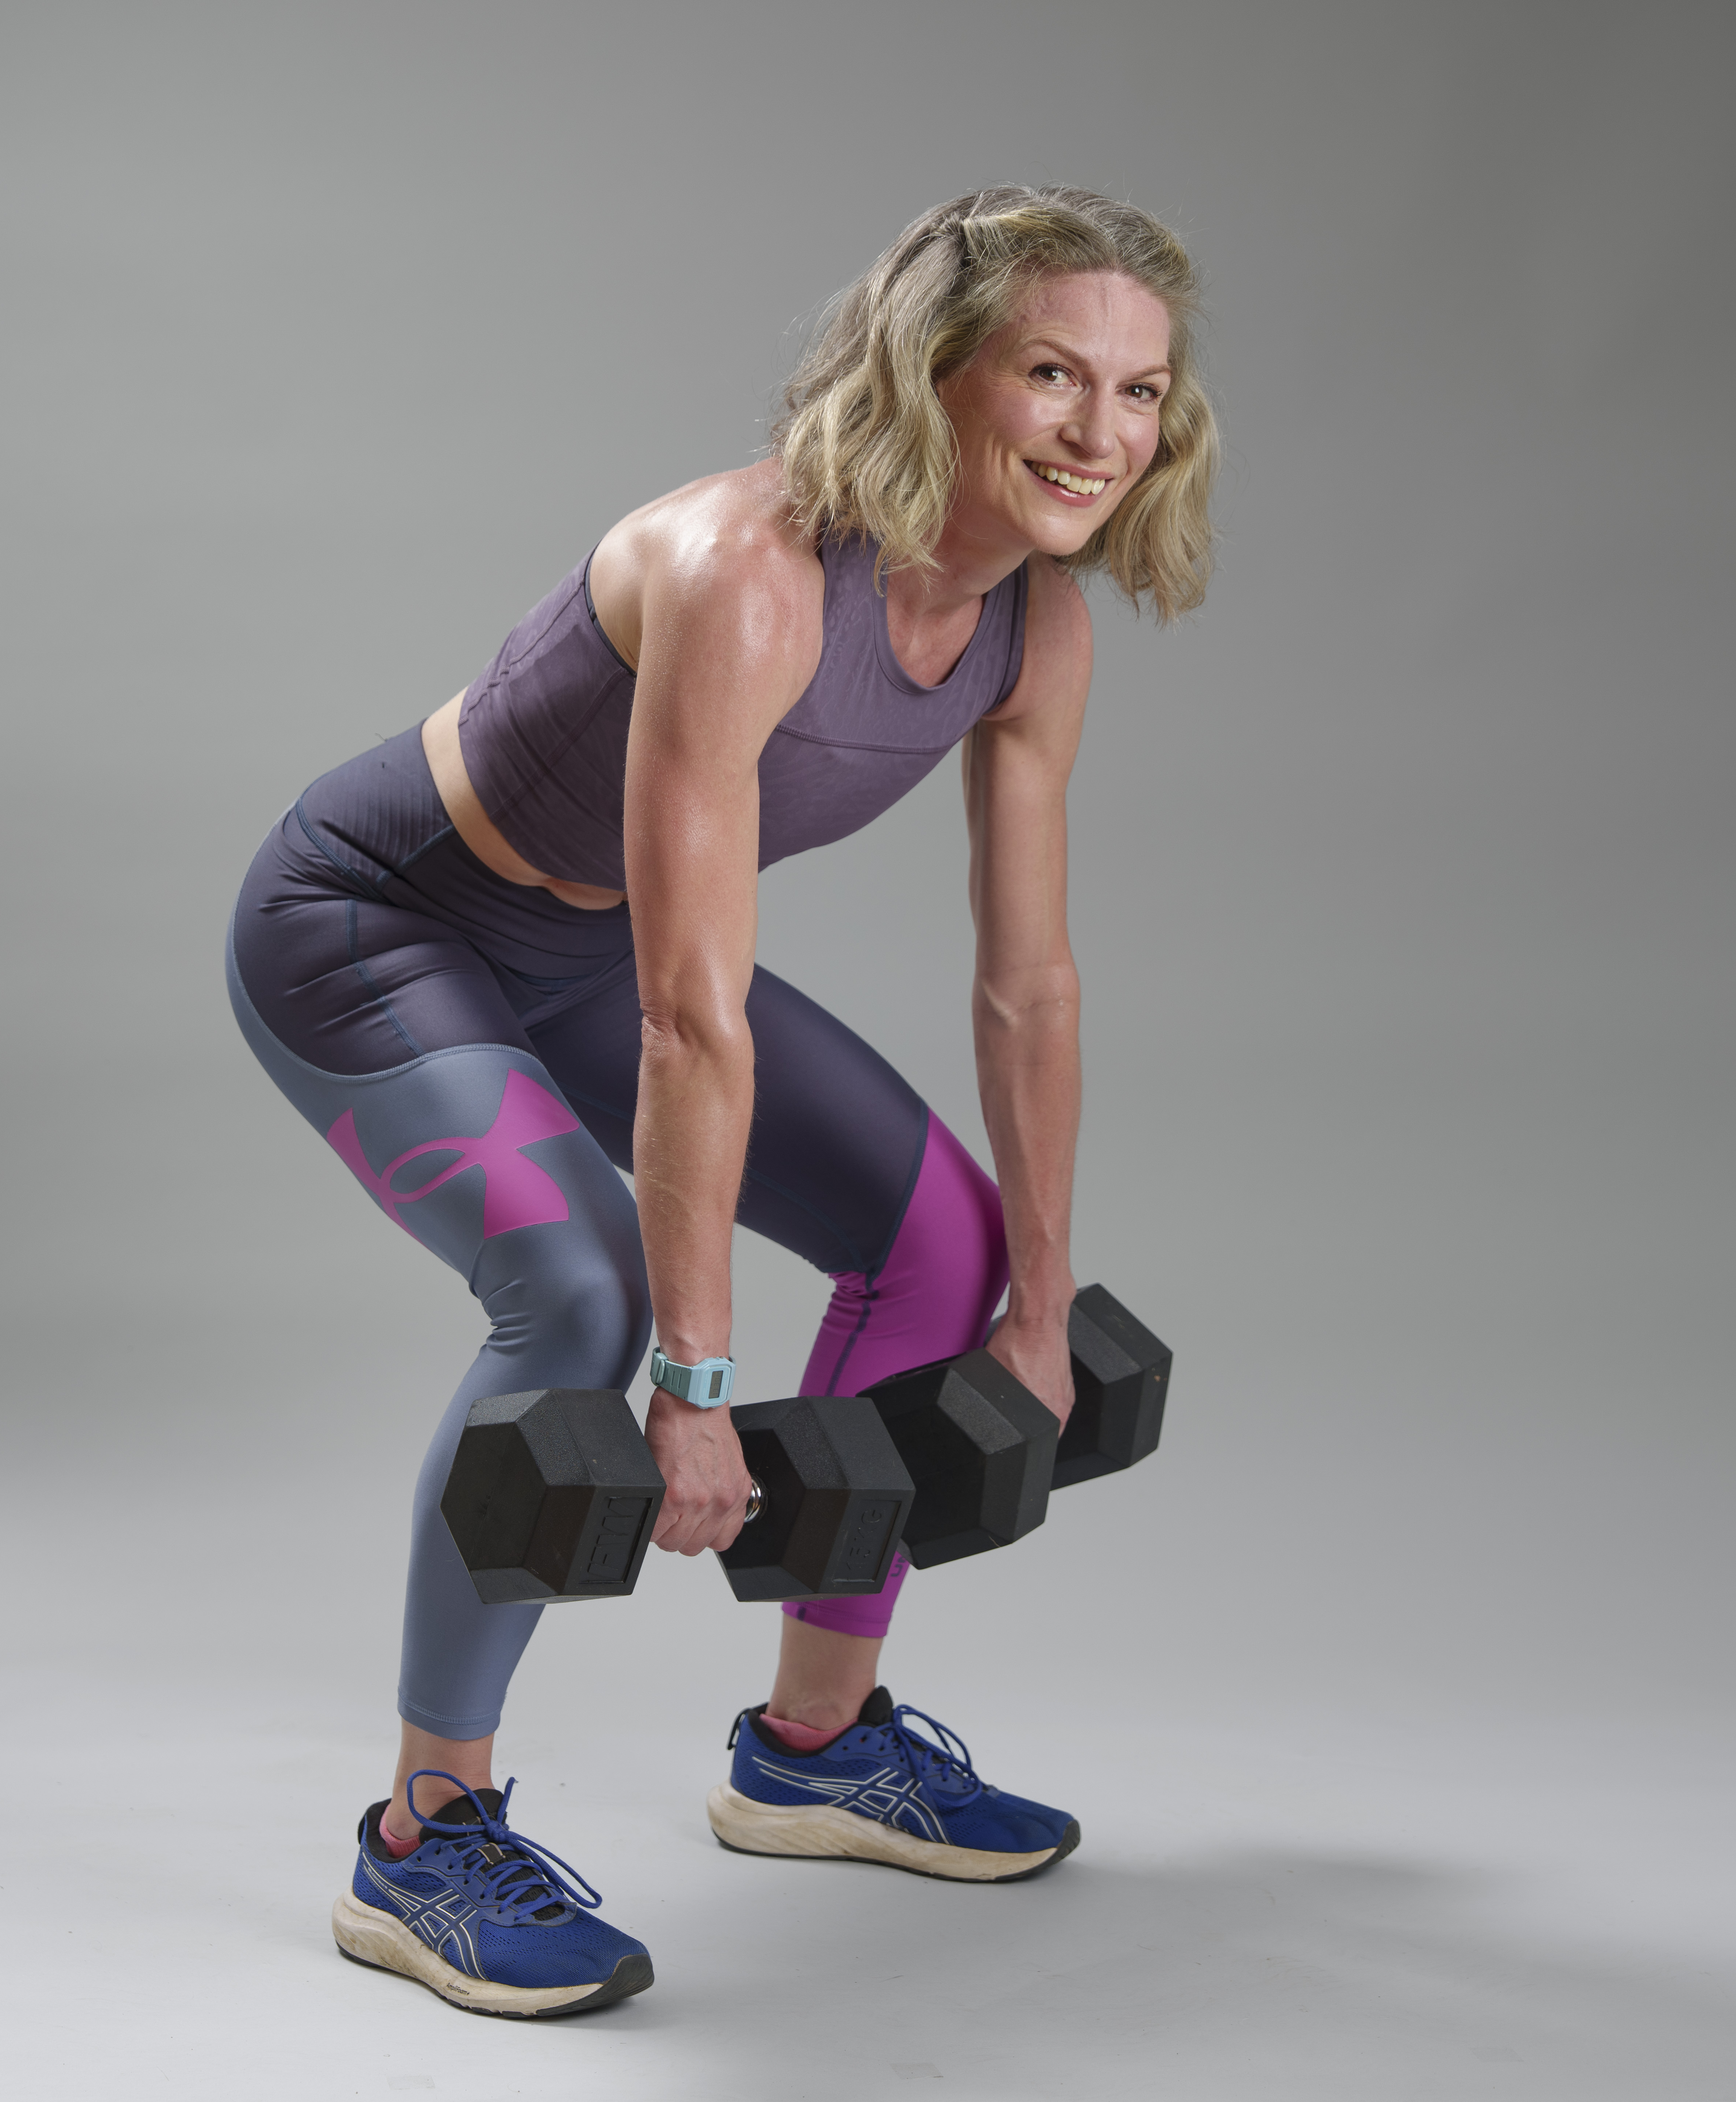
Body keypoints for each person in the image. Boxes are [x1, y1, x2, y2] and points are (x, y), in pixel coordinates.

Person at [226, 185, 1216, 2018]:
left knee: (944, 1245)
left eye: (1142, 392)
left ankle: (812, 1748)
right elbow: (697, 1020)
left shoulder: (1033, 628)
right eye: (1054, 374)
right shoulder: (742, 569)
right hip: (377, 928)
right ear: (944, 374)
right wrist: (692, 1384)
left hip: (598, 956)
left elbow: (1029, 978)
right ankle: (424, 1840)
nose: (1102, 433)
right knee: (581, 1299)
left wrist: (1039, 1297)